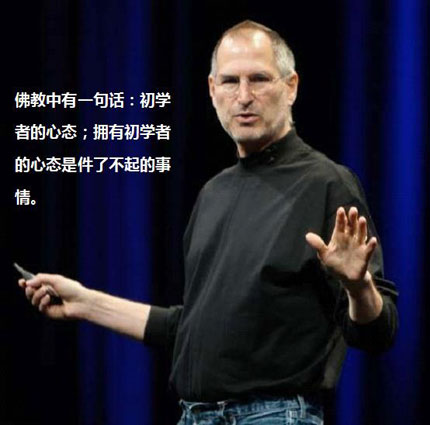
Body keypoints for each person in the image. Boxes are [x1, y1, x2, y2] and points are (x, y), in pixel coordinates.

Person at [19, 20, 398, 425]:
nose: (244, 96)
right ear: (212, 90)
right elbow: (189, 330)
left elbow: (379, 332)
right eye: (230, 81)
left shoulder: (327, 184)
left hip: (273, 415)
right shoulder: (213, 194)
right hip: (195, 416)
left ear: (291, 87)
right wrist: (84, 303)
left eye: (259, 79)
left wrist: (358, 286)